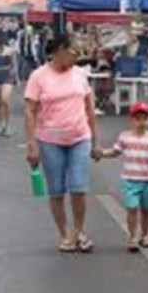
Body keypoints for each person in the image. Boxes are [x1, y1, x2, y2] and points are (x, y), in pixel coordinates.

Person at [24, 33, 99, 254]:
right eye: (73, 52)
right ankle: (64, 234)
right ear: (59, 51)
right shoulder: (38, 76)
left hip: (79, 137)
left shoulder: (79, 75)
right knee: (56, 190)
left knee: (79, 187)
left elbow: (90, 108)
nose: (76, 57)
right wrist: (31, 145)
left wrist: (96, 140)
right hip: (49, 140)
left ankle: (79, 232)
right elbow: (30, 111)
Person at [96, 101, 148, 252]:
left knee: (146, 209)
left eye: (145, 119)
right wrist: (102, 153)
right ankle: (133, 237)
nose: (141, 122)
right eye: (138, 118)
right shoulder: (125, 137)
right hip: (130, 180)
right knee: (132, 208)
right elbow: (115, 151)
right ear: (131, 120)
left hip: (147, 180)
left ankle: (145, 235)